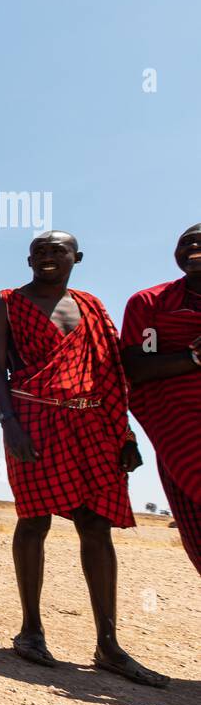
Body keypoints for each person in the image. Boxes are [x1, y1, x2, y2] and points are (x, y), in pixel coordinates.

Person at [0, 230, 168, 686]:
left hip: (94, 427)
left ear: (76, 257)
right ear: (28, 259)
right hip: (33, 422)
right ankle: (31, 630)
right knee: (34, 520)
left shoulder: (91, 306)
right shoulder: (4, 301)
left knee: (96, 524)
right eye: (39, 252)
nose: (47, 257)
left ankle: (108, 643)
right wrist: (9, 424)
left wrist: (125, 433)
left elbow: (111, 370)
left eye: (57, 251)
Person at [121, 224, 201, 577]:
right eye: (186, 242)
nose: (193, 247)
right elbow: (133, 367)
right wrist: (193, 358)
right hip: (180, 435)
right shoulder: (150, 303)